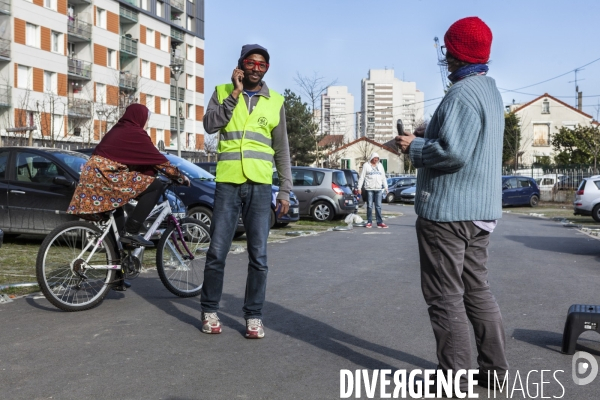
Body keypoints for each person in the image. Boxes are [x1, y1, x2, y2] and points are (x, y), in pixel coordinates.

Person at [396, 17, 509, 390]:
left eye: (448, 50)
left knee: (444, 297)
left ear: (454, 53)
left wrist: (414, 146)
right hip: (481, 212)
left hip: (448, 213)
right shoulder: (489, 90)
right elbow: (469, 141)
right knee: (477, 289)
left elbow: (453, 153)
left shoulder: (460, 94)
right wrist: (431, 131)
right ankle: (493, 370)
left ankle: (454, 379)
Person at [200, 44, 292, 339]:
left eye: (262, 65)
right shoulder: (223, 90)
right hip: (228, 182)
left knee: (259, 255)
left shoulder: (275, 101)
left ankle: (253, 316)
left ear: (266, 69)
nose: (256, 68)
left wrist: (285, 191)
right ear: (241, 65)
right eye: (251, 63)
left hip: (260, 185)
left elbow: (282, 151)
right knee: (217, 251)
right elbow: (210, 125)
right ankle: (210, 310)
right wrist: (235, 94)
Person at [67, 104, 189, 288]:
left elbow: (134, 160)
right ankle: (133, 231)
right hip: (105, 176)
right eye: (146, 119)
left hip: (95, 177)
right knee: (154, 186)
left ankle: (116, 278)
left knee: (116, 230)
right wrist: (180, 177)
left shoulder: (120, 129)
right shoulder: (135, 132)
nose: (146, 124)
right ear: (139, 117)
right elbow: (158, 161)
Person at [356, 152, 388, 228]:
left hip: (378, 189)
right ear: (372, 158)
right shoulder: (366, 165)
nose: (376, 160)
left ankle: (379, 222)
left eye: (377, 159)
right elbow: (362, 177)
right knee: (369, 206)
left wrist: (386, 187)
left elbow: (383, 177)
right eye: (375, 158)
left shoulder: (380, 166)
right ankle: (369, 221)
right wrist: (359, 188)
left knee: (378, 206)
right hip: (369, 188)